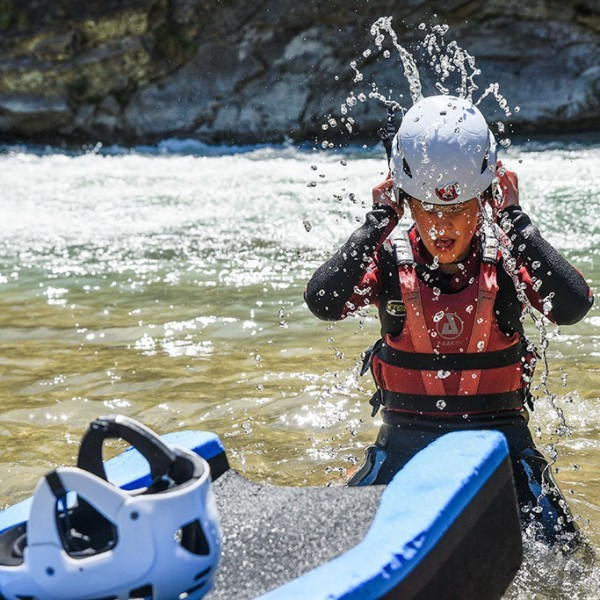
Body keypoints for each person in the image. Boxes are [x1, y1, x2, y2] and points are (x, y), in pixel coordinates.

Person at [304, 95, 594, 548]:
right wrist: (378, 219)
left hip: (501, 443)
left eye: (457, 209)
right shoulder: (387, 260)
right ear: (405, 200)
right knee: (332, 546)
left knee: (566, 554)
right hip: (403, 442)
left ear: (485, 199)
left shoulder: (509, 258)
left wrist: (515, 219)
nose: (442, 225)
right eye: (427, 208)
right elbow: (323, 300)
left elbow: (573, 306)